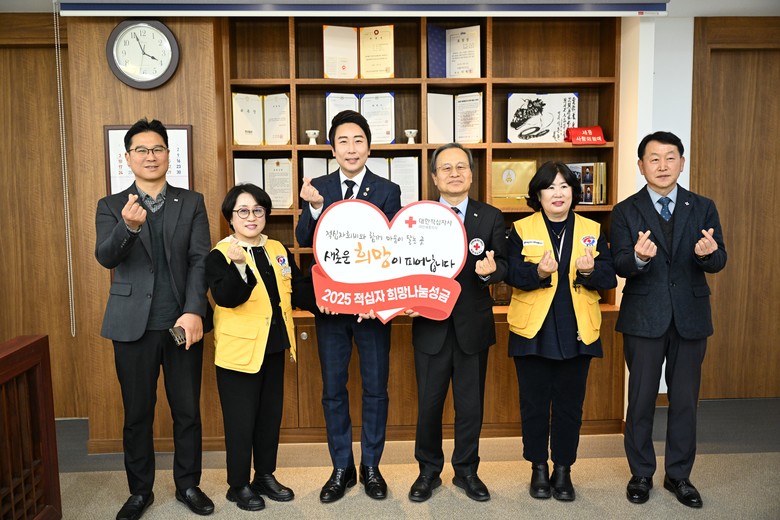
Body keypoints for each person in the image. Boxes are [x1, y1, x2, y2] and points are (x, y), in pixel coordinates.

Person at [95, 118, 214, 520]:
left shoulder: (191, 202)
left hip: (181, 324)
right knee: (137, 413)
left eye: (158, 149)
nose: (150, 156)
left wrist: (194, 310)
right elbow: (106, 257)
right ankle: (139, 491)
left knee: (187, 410)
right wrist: (128, 227)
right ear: (127, 158)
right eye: (142, 150)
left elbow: (200, 259)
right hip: (132, 326)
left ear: (169, 154)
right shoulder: (111, 205)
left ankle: (188, 485)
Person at [611, 131, 726, 509]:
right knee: (641, 399)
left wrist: (707, 255)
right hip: (643, 317)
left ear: (682, 162)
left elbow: (719, 258)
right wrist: (638, 258)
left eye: (670, 157)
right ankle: (641, 473)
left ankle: (679, 475)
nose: (662, 166)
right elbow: (619, 263)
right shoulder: (625, 210)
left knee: (685, 401)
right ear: (641, 165)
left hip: (690, 317)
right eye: (654, 159)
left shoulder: (703, 206)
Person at [295, 110, 402, 503]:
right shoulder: (318, 186)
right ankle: (341, 467)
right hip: (330, 308)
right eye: (343, 141)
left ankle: (371, 466)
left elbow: (393, 247)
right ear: (333, 148)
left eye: (358, 140)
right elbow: (304, 239)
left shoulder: (387, 189)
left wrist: (380, 300)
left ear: (369, 147)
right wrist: (314, 208)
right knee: (333, 390)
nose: (351, 148)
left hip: (372, 309)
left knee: (375, 389)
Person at [505, 161, 616, 502]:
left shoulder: (593, 229)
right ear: (538, 194)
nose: (558, 193)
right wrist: (537, 273)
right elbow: (510, 274)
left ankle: (564, 470)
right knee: (534, 405)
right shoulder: (520, 229)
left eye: (564, 186)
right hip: (532, 330)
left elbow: (609, 277)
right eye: (550, 187)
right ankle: (538, 468)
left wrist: (590, 272)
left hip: (576, 329)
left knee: (570, 406)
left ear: (573, 192)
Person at [406, 143, 507, 503]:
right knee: (429, 406)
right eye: (446, 168)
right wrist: (405, 299)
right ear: (434, 177)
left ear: (471, 174)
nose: (454, 173)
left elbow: (504, 264)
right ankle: (428, 471)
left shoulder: (490, 216)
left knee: (470, 407)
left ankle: (467, 471)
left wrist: (491, 272)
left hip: (472, 328)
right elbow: (402, 266)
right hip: (429, 326)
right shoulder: (418, 216)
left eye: (461, 167)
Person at [206, 184, 315, 511]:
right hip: (238, 354)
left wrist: (335, 299)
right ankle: (238, 484)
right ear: (230, 217)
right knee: (240, 422)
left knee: (269, 417)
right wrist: (240, 266)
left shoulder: (277, 249)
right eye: (243, 211)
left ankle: (264, 475)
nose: (251, 217)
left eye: (258, 210)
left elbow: (298, 289)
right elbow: (227, 297)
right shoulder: (220, 254)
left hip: (274, 346)